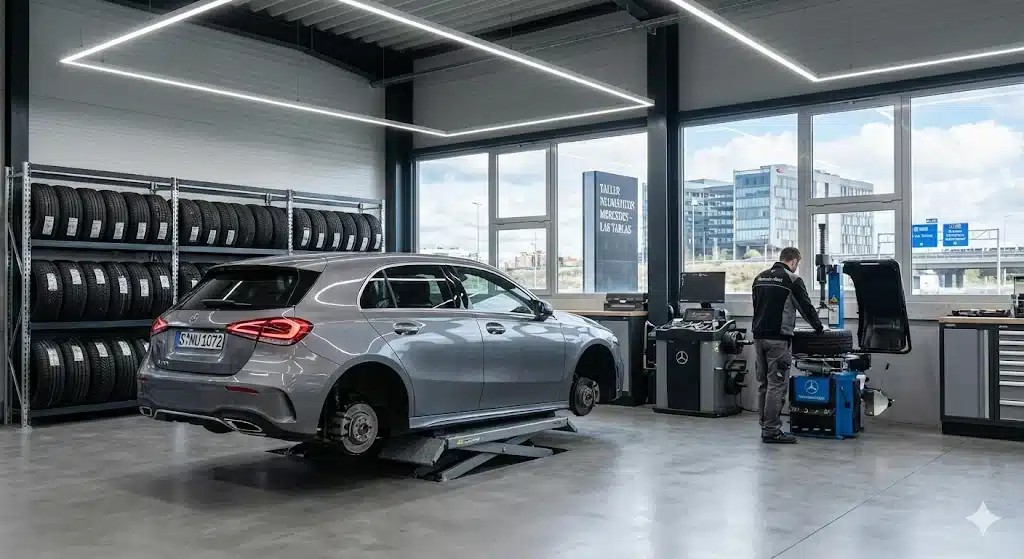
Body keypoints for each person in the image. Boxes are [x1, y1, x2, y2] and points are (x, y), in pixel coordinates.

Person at [751, 247, 824, 444]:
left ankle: (764, 425)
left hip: (758, 338)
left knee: (764, 384)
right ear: (794, 262)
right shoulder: (792, 280)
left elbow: (757, 306)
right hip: (778, 340)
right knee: (777, 384)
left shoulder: (759, 278)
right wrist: (819, 328)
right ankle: (772, 431)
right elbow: (806, 308)